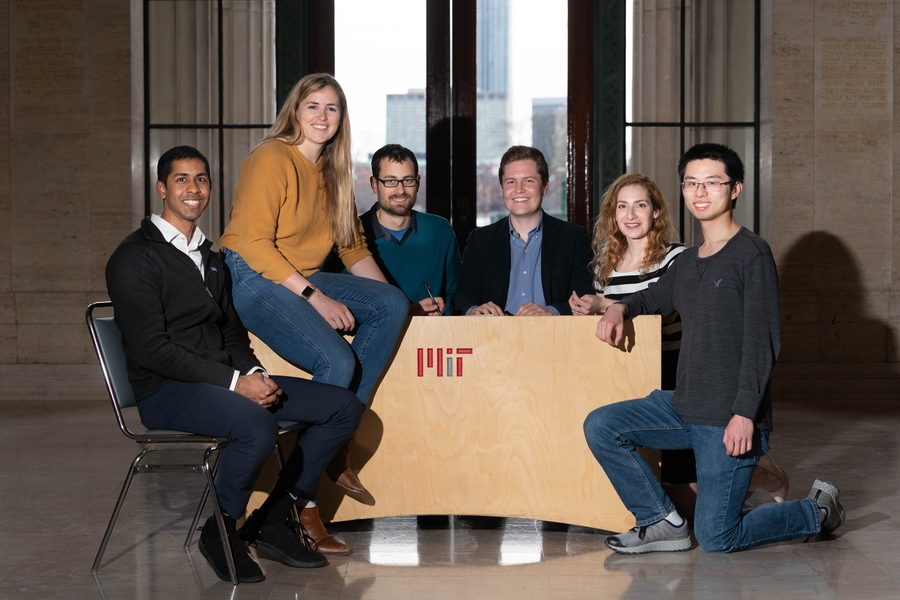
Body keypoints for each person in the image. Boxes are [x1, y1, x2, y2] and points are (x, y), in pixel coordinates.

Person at [105, 146, 362, 583]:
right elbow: (152, 349)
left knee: (342, 407)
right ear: (162, 188)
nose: (193, 188)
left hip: (223, 383)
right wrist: (235, 383)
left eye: (201, 179)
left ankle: (273, 520)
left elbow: (229, 332)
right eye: (182, 179)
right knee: (256, 425)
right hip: (165, 391)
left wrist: (254, 374)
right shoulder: (134, 258)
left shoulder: (211, 257)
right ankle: (220, 531)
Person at [583, 143, 844, 555]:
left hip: (727, 415)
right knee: (601, 425)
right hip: (683, 404)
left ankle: (818, 510)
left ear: (735, 189)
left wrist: (744, 415)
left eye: (712, 182)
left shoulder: (751, 253)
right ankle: (660, 520)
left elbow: (763, 342)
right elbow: (651, 298)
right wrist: (617, 308)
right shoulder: (687, 262)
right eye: (691, 183)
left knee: (717, 536)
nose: (700, 192)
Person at [219, 74, 409, 540]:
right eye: (313, 106)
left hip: (299, 273)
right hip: (254, 273)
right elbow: (254, 245)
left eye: (332, 108)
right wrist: (316, 298)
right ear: (295, 111)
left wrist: (399, 308)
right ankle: (299, 503)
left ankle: (336, 437)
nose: (323, 116)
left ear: (342, 118)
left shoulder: (333, 172)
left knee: (392, 303)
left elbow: (352, 248)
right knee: (337, 361)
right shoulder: (271, 157)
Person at [570, 173, 789, 520]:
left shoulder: (680, 258)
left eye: (640, 205)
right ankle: (667, 513)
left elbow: (670, 310)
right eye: (622, 206)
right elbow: (624, 311)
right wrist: (597, 309)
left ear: (656, 211)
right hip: (626, 372)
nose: (630, 214)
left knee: (694, 510)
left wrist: (608, 304)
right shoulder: (603, 265)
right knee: (613, 437)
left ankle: (759, 475)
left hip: (675, 369)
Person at [452, 145, 594, 316]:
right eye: (511, 182)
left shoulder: (573, 238)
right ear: (502, 189)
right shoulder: (480, 240)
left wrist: (551, 312)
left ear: (545, 186)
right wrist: (474, 310)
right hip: (495, 332)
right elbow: (462, 297)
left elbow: (585, 297)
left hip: (553, 331)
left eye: (528, 181)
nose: (519, 189)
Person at [358, 144, 460, 315]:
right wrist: (408, 313)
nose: (400, 190)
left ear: (417, 183)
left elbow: (456, 295)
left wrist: (443, 316)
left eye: (407, 180)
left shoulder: (440, 231)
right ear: (374, 184)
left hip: (431, 331)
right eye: (390, 181)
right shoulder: (351, 235)